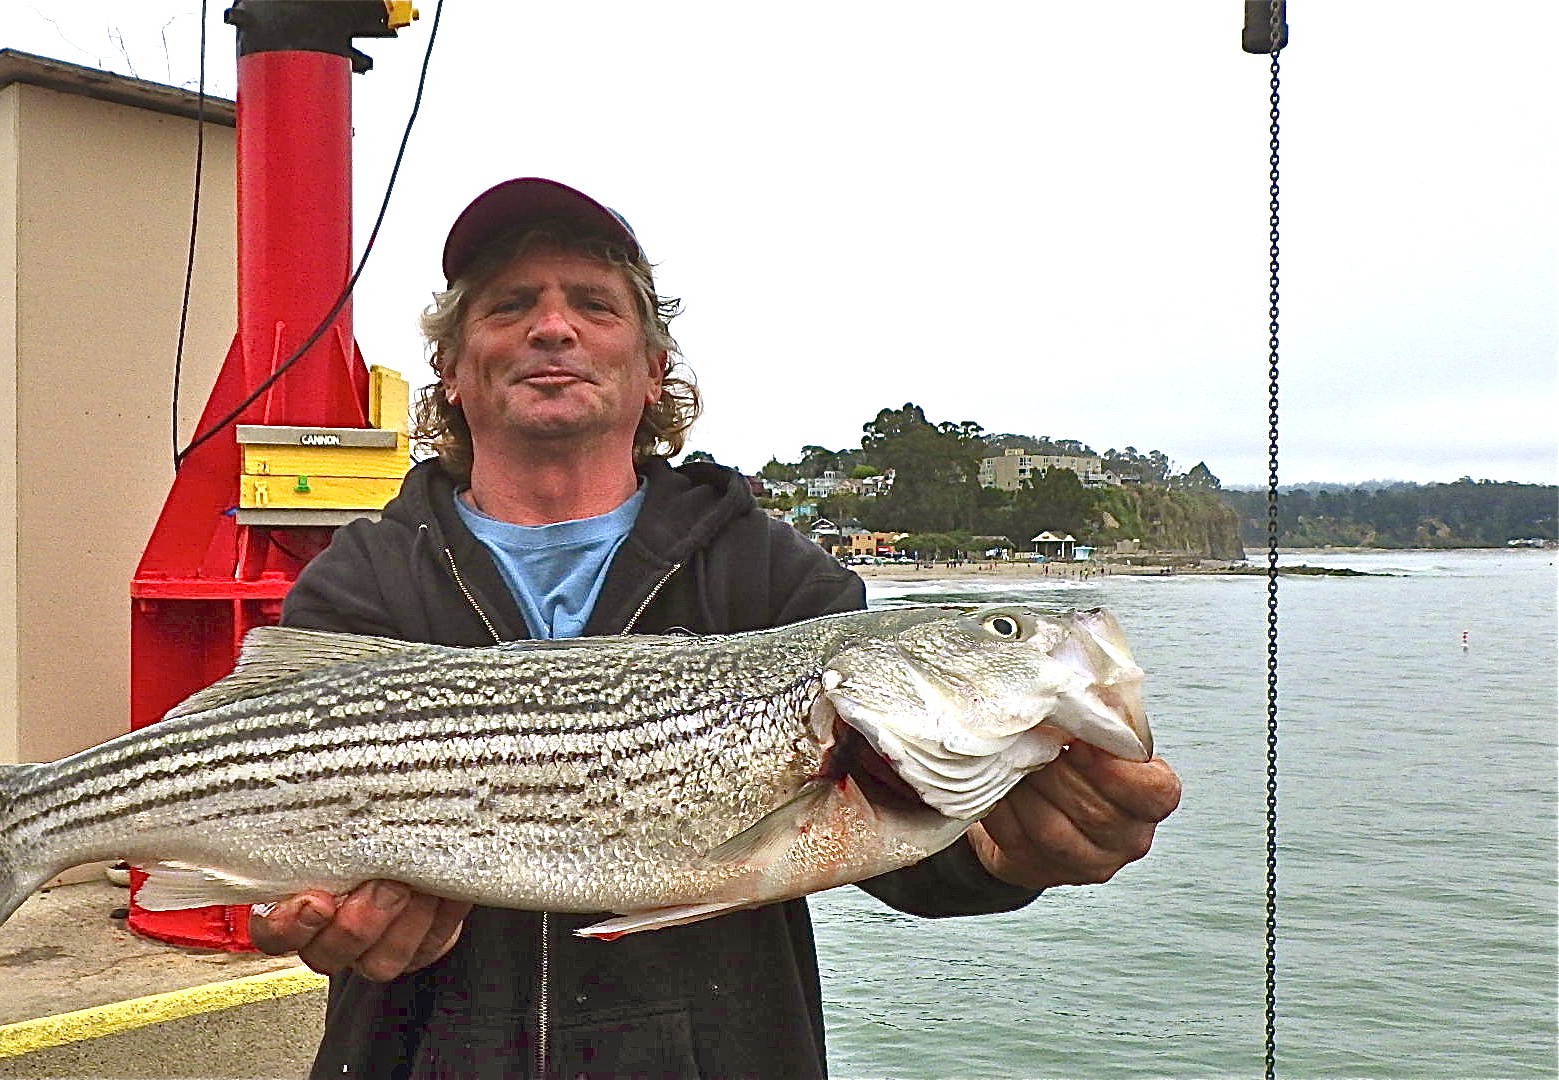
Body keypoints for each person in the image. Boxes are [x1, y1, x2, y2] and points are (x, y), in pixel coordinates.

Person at [251, 177, 1182, 1078]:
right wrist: (308, 913)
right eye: (507, 305)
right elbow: (284, 878)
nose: (552, 326)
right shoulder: (361, 580)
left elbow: (896, 858)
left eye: (594, 304)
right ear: (451, 370)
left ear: (656, 371)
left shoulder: (771, 576)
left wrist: (1005, 848)